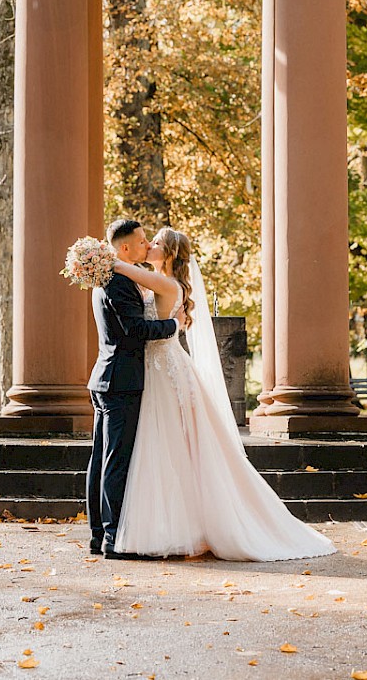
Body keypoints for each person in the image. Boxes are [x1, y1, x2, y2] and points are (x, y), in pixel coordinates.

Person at [111, 226, 336, 562]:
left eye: (155, 243)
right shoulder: (159, 281)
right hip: (159, 367)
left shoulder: (165, 283)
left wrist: (101, 258)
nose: (149, 246)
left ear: (169, 253)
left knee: (170, 444)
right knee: (168, 446)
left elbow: (121, 267)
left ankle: (178, 528)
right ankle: (176, 526)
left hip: (165, 371)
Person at [87, 218, 179, 560]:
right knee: (115, 461)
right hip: (121, 381)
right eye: (141, 241)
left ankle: (99, 535)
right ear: (124, 248)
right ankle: (112, 537)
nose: (146, 245)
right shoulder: (119, 282)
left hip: (107, 377)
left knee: (101, 459)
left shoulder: (108, 278)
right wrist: (173, 325)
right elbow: (136, 330)